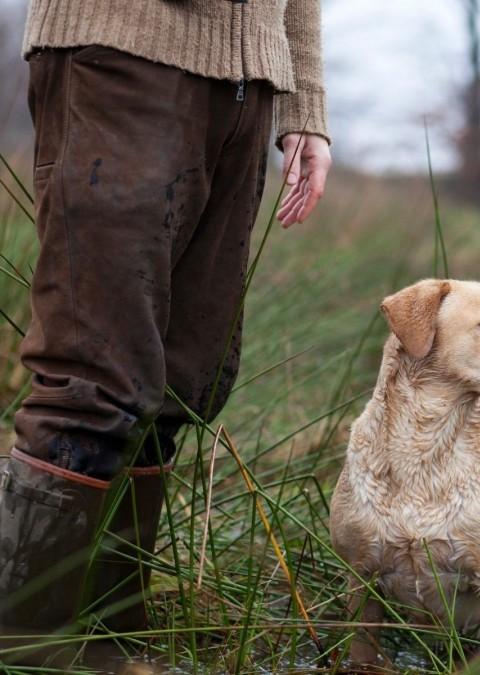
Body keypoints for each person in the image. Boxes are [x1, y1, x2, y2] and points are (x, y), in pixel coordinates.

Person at [0, 0, 332, 663]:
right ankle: (26, 646)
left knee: (180, 384)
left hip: (246, 84)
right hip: (121, 56)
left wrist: (304, 102)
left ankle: (107, 640)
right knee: (93, 376)